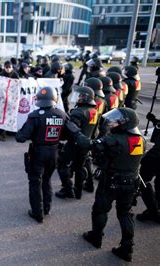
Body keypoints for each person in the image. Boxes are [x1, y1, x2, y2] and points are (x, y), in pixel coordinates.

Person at [66, 108, 146, 262]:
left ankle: (96, 237)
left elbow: (88, 144)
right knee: (125, 214)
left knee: (100, 209)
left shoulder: (114, 140)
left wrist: (75, 131)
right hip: (131, 182)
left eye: (116, 120)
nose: (112, 123)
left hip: (111, 181)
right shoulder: (140, 139)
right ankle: (127, 248)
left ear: (125, 123)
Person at [16, 87, 70, 223]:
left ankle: (37, 212)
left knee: (35, 182)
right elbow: (67, 135)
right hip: (54, 152)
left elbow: (21, 137)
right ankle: (46, 208)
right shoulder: (62, 115)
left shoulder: (35, 115)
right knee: (47, 180)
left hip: (38, 152)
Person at [56, 86, 98, 200]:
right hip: (86, 143)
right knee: (79, 167)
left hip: (74, 144)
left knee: (62, 164)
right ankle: (78, 191)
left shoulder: (78, 112)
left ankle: (67, 189)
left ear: (85, 98)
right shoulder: (94, 110)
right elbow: (95, 130)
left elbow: (71, 130)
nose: (78, 98)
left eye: (80, 96)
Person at [137, 112, 160, 223]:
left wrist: (144, 159)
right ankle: (157, 208)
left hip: (156, 157)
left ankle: (153, 212)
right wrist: (154, 120)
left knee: (143, 181)